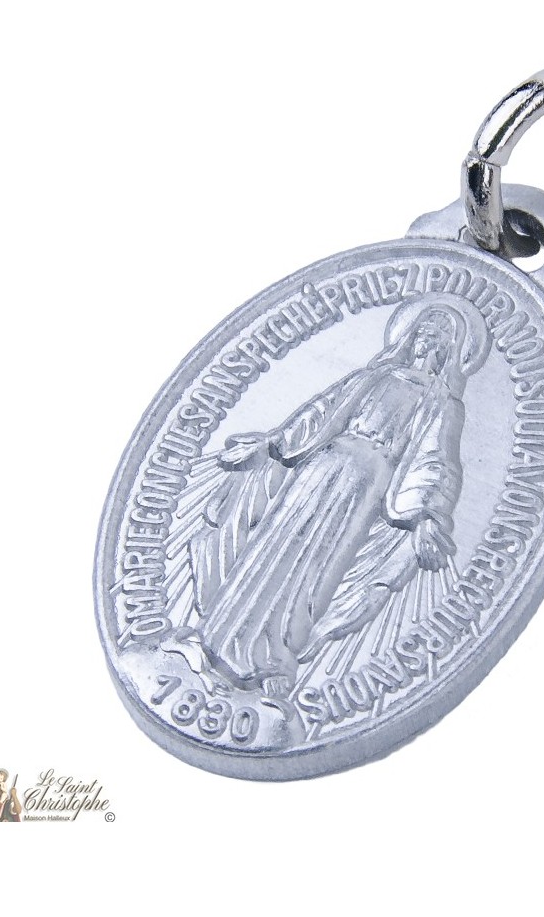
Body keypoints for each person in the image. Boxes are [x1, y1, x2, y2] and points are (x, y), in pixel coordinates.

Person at [175, 295, 489, 703]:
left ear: (450, 350)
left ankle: (273, 659)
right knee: (271, 547)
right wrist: (271, 442)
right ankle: (215, 635)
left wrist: (428, 516)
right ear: (410, 336)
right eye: (424, 330)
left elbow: (436, 458)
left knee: (312, 570)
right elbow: (320, 413)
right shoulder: (373, 375)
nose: (428, 339)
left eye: (440, 335)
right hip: (321, 464)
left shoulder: (442, 401)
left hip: (365, 483)